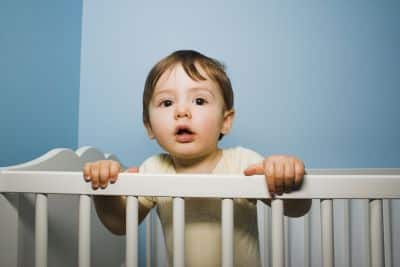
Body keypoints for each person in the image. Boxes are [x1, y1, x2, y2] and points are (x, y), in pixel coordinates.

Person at [83, 50, 310, 267]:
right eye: (167, 103)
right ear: (149, 126)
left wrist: (285, 175)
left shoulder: (244, 163)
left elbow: (296, 209)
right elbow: (121, 224)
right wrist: (104, 190)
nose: (182, 111)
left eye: (199, 101)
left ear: (226, 121)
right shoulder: (155, 169)